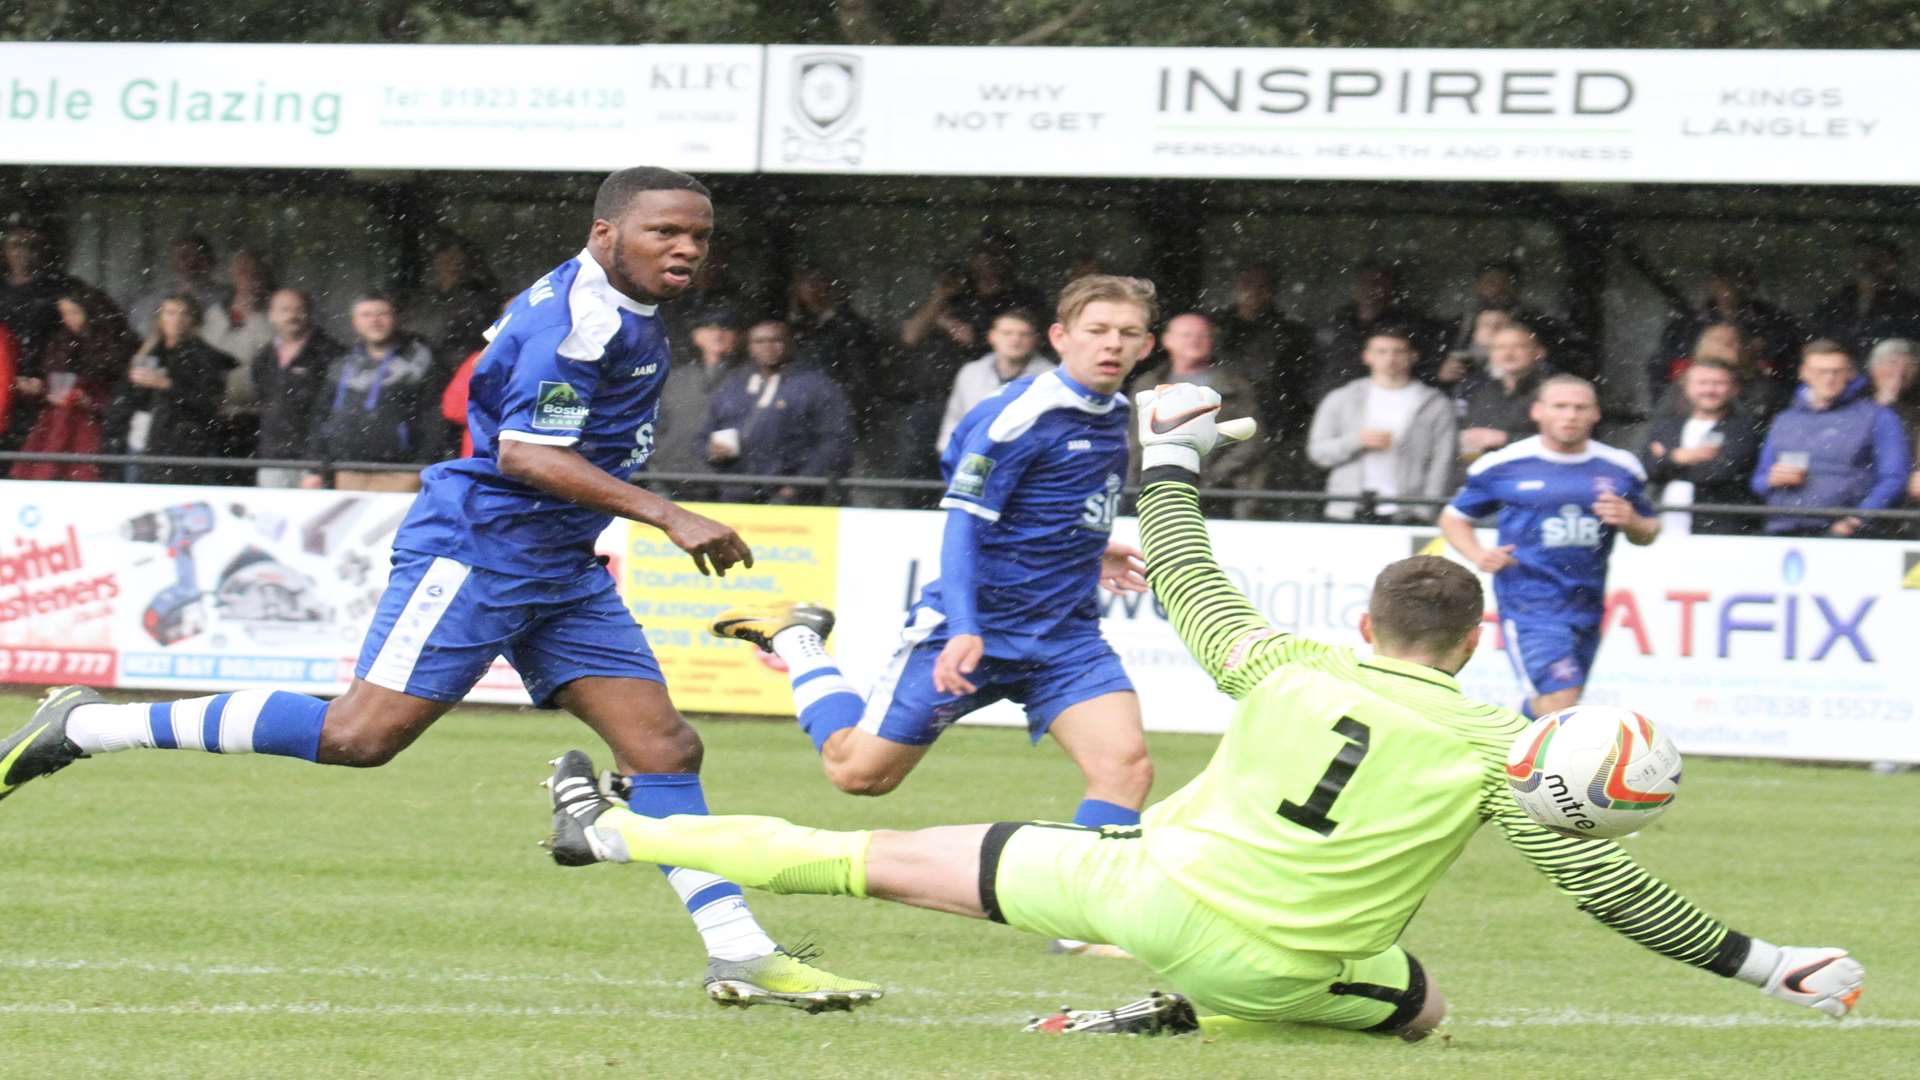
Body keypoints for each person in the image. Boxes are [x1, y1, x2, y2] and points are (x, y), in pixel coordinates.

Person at [533, 380, 1864, 1040]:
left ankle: (614, 841)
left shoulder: (1278, 661)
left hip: (1125, 894)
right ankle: (1191, 1017)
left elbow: (1179, 562)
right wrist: (1771, 961)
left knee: (855, 855)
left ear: (1370, 626)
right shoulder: (1497, 748)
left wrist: (1166, 451)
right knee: (1421, 1009)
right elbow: (1612, 896)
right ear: (1472, 645)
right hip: (1275, 969)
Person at [0, 166, 879, 1013]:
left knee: (664, 750)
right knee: (358, 736)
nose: (686, 248)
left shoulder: (621, 304)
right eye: (665, 232)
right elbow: (524, 454)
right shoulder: (579, 322)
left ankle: (738, 948)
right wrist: (669, 515)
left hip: (558, 565)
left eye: (699, 235)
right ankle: (88, 725)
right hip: (481, 553)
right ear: (605, 233)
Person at [708, 275, 1164, 957]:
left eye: (1128, 334)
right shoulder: (1018, 414)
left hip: (1065, 637)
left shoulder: (1111, 414)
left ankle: (1081, 920)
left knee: (1126, 766)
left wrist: (1088, 547)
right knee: (858, 775)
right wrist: (967, 625)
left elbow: (1044, 505)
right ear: (1061, 338)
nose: (1113, 344)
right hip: (969, 630)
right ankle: (800, 642)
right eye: (1098, 331)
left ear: (1147, 345)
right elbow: (961, 522)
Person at [1440, 375, 1659, 720]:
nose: (1570, 415)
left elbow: (1648, 531)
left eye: (1580, 407)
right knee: (1560, 699)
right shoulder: (1503, 465)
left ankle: (1513, 750)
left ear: (1596, 414)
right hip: (1530, 602)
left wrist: (1631, 520)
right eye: (1560, 406)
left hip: (1587, 603)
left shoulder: (1620, 467)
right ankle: (1540, 765)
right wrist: (1479, 555)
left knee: (1553, 706)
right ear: (1538, 411)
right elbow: (1453, 518)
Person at [1750, 339, 1909, 538]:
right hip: (1784, 529)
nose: (1829, 378)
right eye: (1820, 372)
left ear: (1850, 373)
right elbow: (1758, 481)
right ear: (1804, 373)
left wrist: (1857, 520)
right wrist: (1771, 480)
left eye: (1837, 371)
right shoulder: (1784, 419)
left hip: (1847, 535)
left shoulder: (1879, 417)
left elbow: (1894, 478)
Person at [1306, 327, 1457, 523]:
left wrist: (1426, 509)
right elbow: (1318, 452)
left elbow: (1443, 461)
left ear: (1413, 356)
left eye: (1398, 351)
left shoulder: (1436, 403)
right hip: (1348, 507)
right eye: (1381, 351)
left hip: (1407, 511)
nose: (1390, 358)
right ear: (1367, 356)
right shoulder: (1341, 398)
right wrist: (1357, 441)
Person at [1126, 312, 1265, 516]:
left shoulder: (1236, 386)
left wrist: (1210, 477)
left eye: (1203, 335)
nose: (1195, 341)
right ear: (1167, 340)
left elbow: (1252, 438)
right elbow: (1133, 438)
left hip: (1218, 497)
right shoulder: (1146, 384)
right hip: (1153, 492)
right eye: (1186, 335)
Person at [300, 294, 440, 493]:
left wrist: (423, 466)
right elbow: (321, 417)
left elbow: (433, 417)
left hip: (401, 472)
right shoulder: (341, 364)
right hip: (346, 470)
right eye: (366, 315)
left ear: (395, 318)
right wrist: (314, 468)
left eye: (382, 313)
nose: (374, 321)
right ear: (355, 322)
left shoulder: (420, 361)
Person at [704, 319, 854, 504]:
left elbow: (834, 443)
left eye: (775, 340)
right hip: (736, 492)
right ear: (749, 346)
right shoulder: (733, 386)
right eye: (759, 341)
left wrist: (798, 486)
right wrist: (711, 450)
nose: (767, 346)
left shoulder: (817, 386)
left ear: (790, 343)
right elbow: (704, 434)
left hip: (796, 497)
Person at [8, 283, 136, 482]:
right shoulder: (61, 342)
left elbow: (123, 393)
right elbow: (53, 384)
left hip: (91, 427)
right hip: (57, 424)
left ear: (90, 311)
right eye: (64, 314)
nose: (69, 319)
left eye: (74, 312)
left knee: (82, 476)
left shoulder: (115, 344)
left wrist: (92, 402)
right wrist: (40, 389)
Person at [110, 292, 233, 485]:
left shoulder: (204, 357)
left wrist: (168, 385)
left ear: (194, 319)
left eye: (184, 314)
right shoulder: (149, 350)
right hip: (140, 437)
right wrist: (134, 383)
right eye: (170, 313)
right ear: (160, 317)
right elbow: (126, 399)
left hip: (181, 444)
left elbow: (210, 403)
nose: (177, 320)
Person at [1639, 359, 1765, 536]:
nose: (1709, 390)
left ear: (1734, 388)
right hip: (1663, 526)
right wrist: (1679, 457)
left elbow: (1721, 472)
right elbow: (1646, 469)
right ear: (1686, 387)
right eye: (1702, 383)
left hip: (1719, 528)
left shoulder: (1744, 427)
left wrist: (1666, 459)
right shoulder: (1667, 426)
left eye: (1718, 383)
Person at [646, 306, 747, 501]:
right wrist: (658, 469)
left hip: (731, 485)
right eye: (709, 328)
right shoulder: (674, 379)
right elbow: (654, 429)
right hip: (673, 478)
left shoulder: (753, 379)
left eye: (725, 328)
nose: (717, 334)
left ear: (739, 336)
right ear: (696, 336)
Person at [251, 289, 347, 487]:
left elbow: (335, 412)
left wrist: (319, 459)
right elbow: (264, 400)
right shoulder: (263, 357)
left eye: (299, 309)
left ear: (310, 313)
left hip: (316, 459)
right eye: (285, 309)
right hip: (272, 456)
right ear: (271, 315)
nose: (292, 316)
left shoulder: (331, 354)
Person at [935, 308, 1052, 454]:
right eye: (1007, 333)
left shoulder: (1050, 378)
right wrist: (952, 456)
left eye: (1024, 334)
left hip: (1027, 460)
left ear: (1035, 340)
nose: (1015, 339)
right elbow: (954, 420)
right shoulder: (971, 372)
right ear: (992, 336)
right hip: (971, 458)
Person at [1456, 322, 1554, 467]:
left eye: (1518, 346)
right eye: (1500, 348)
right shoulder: (1477, 390)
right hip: (1483, 479)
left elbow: (1569, 439)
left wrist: (1506, 439)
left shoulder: (1554, 391)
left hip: (1536, 476)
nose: (1508, 354)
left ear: (1539, 352)